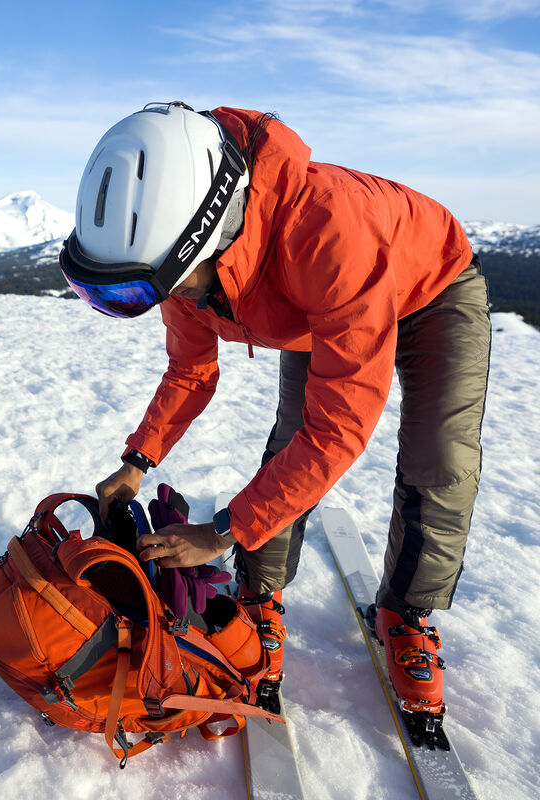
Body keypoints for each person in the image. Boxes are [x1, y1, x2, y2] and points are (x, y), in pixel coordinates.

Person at [60, 102, 491, 719]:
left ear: (206, 236)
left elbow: (338, 429)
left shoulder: (326, 232)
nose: (162, 300)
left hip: (432, 286)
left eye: (153, 288)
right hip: (309, 305)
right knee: (289, 443)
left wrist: (221, 532)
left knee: (440, 457)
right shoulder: (176, 265)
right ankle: (259, 595)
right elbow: (191, 371)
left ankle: (405, 611)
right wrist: (137, 461)